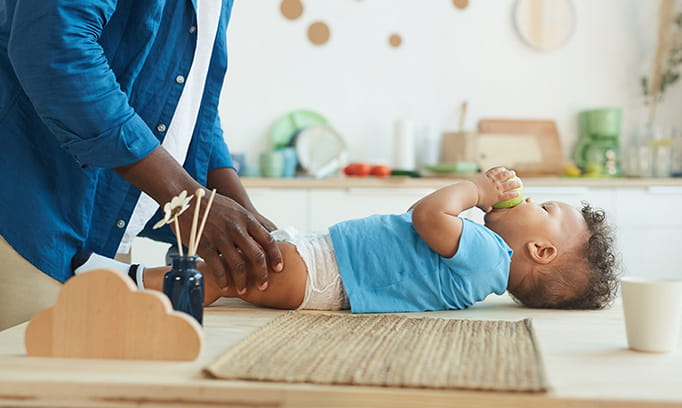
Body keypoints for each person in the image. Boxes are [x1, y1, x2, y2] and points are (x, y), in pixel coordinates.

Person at [0, 0, 282, 331]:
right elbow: (56, 51)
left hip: (103, 228)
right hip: (24, 213)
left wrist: (247, 222)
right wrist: (186, 199)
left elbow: (189, 103)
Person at [121, 167, 620, 313]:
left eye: (547, 209)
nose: (533, 201)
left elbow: (427, 213)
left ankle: (127, 284)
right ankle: (141, 279)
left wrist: (478, 188)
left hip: (324, 274)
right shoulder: (477, 260)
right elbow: (413, 221)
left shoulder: (490, 255)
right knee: (234, 266)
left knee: (223, 279)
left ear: (542, 251)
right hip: (325, 264)